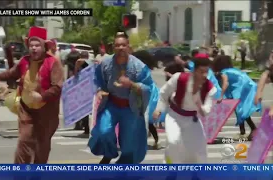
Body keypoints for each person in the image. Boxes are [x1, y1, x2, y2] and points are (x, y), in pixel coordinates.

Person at [0, 26, 64, 164]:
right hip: (26, 109)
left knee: (42, 146)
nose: (34, 48)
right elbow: (11, 74)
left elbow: (57, 87)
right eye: (31, 45)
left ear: (44, 46)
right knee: (24, 140)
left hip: (47, 112)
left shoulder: (53, 63)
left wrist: (42, 96)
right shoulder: (24, 61)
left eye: (37, 45)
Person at [88, 32, 154, 164]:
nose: (121, 48)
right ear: (113, 47)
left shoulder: (138, 66)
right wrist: (100, 90)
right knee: (103, 131)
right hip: (111, 104)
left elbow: (149, 87)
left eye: (123, 45)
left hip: (131, 107)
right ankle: (109, 154)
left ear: (128, 47)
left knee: (129, 143)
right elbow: (98, 80)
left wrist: (132, 84)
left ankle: (123, 166)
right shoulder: (105, 63)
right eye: (117, 45)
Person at [153, 57, 217, 164]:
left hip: (192, 119)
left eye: (206, 72)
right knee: (174, 142)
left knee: (198, 148)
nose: (205, 75)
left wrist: (199, 105)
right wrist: (159, 109)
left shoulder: (210, 88)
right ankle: (170, 167)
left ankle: (195, 172)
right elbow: (164, 93)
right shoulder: (179, 78)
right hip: (174, 115)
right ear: (194, 71)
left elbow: (206, 112)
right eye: (201, 72)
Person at [213, 55, 261, 140]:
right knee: (241, 110)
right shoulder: (232, 70)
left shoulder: (223, 72)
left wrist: (221, 96)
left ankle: (250, 130)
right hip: (248, 87)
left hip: (243, 89)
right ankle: (245, 131)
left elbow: (226, 83)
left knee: (240, 110)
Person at [131, 50, 162, 149]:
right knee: (145, 119)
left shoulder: (141, 68)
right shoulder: (144, 67)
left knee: (143, 117)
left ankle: (150, 139)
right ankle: (155, 139)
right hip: (147, 92)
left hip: (145, 93)